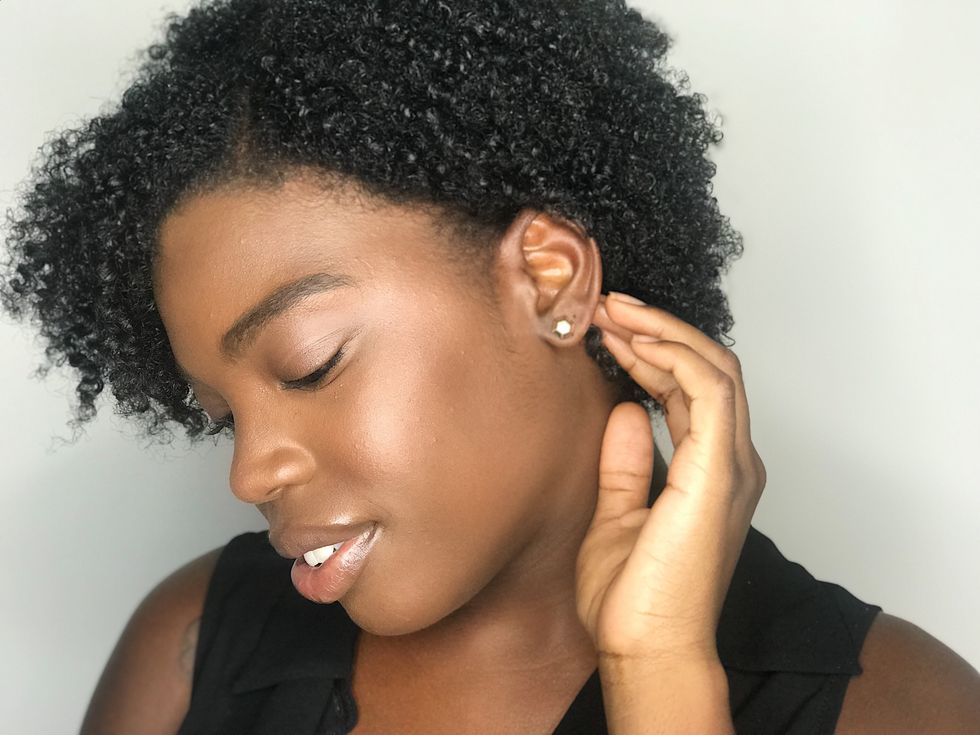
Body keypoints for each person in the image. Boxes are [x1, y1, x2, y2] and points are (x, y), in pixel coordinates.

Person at [2, 0, 978, 732]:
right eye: (222, 416)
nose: (250, 473)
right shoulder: (191, 648)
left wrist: (658, 674)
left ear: (549, 278)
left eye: (309, 366)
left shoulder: (899, 706)